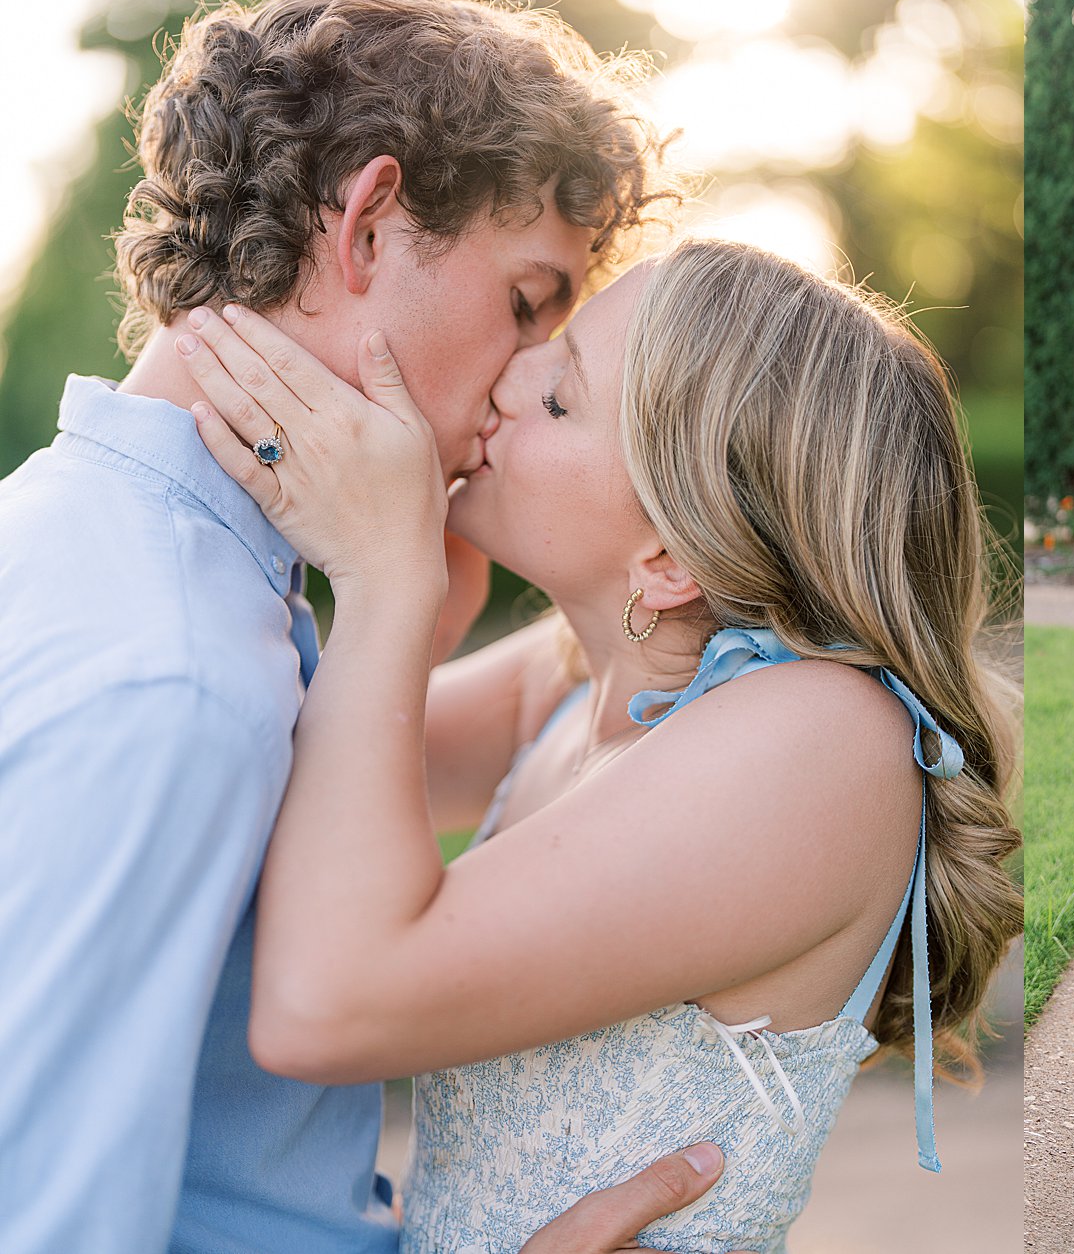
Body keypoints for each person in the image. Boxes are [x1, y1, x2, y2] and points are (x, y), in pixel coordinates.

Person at [0, 0, 743, 1253]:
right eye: (527, 305)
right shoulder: (173, 682)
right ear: (370, 225)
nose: (521, 385)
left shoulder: (90, 541)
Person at [172, 237, 1022, 1250]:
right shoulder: (579, 675)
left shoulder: (823, 738)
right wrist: (420, 614)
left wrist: (387, 584)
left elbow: (324, 1005)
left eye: (562, 397)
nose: (510, 369)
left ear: (665, 560)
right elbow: (265, 774)